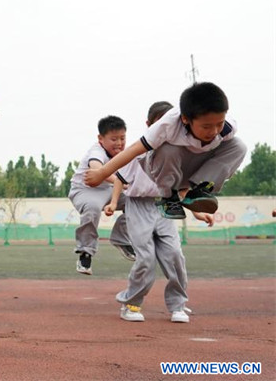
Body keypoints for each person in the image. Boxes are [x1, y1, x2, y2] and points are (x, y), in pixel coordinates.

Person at [104, 101, 214, 323]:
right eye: (160, 124)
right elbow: (120, 178)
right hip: (139, 206)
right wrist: (113, 202)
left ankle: (178, 305)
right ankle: (132, 304)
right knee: (145, 258)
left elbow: (182, 190)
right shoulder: (139, 151)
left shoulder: (179, 154)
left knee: (174, 255)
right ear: (149, 125)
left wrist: (197, 212)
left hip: (165, 205)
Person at [85, 82, 246, 219]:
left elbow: (228, 154)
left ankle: (200, 188)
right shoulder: (167, 125)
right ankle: (169, 198)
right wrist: (102, 173)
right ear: (185, 119)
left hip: (193, 169)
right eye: (206, 126)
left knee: (238, 146)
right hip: (163, 169)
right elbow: (134, 149)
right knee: (168, 149)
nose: (214, 131)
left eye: (219, 123)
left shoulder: (227, 128)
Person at [68, 116, 135, 275]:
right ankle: (86, 252)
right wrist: (124, 183)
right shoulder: (96, 151)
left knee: (138, 202)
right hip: (85, 190)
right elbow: (98, 171)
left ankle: (121, 238)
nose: (119, 143)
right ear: (101, 139)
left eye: (122, 138)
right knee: (92, 208)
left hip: (109, 189)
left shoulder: (124, 153)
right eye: (114, 139)